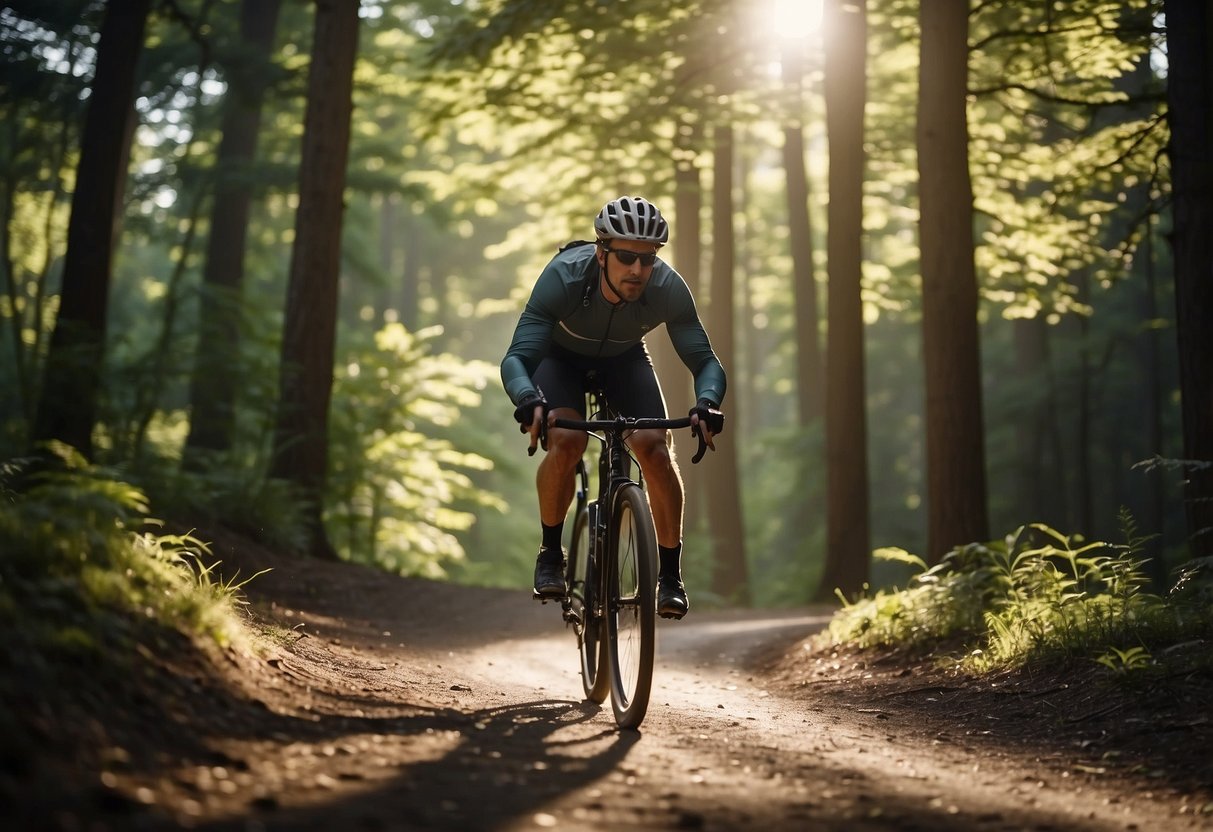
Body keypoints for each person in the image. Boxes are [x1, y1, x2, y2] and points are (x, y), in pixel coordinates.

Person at [500, 195, 726, 620]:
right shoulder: (563, 278)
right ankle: (551, 553)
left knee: (655, 449)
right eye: (626, 257)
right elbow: (517, 358)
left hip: (624, 358)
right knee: (565, 440)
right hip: (559, 359)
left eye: (647, 258)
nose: (638, 269)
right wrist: (527, 398)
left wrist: (707, 403)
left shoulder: (666, 288)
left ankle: (670, 576)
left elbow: (705, 361)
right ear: (602, 253)